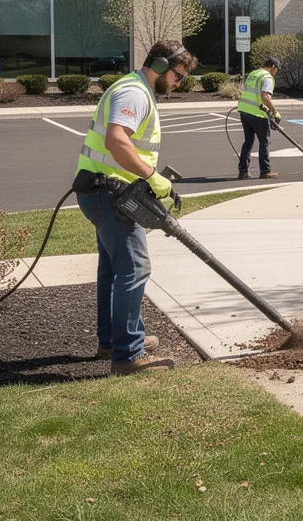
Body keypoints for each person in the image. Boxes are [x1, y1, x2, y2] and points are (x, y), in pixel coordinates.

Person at [73, 40, 198, 375]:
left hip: (102, 190)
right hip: (109, 193)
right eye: (178, 75)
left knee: (112, 270)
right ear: (159, 66)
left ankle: (113, 341)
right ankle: (128, 355)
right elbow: (117, 139)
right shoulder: (135, 94)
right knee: (135, 268)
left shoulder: (134, 88)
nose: (178, 83)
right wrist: (152, 176)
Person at [237, 56, 282, 179]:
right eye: (277, 70)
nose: (276, 73)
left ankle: (243, 171)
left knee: (248, 142)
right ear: (273, 67)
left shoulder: (253, 73)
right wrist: (275, 112)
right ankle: (265, 171)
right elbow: (265, 96)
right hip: (257, 114)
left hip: (244, 111)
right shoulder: (267, 77)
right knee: (264, 141)